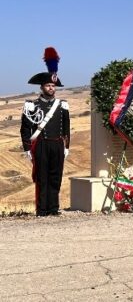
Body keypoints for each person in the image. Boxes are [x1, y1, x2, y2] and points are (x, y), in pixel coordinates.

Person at [20, 47, 70, 216]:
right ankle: (42, 210)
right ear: (42, 87)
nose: (51, 88)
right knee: (42, 178)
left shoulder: (62, 105)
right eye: (48, 85)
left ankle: (53, 208)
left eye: (53, 85)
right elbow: (25, 128)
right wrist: (27, 148)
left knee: (56, 177)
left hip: (57, 145)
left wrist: (66, 146)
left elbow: (66, 127)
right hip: (41, 145)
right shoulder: (31, 105)